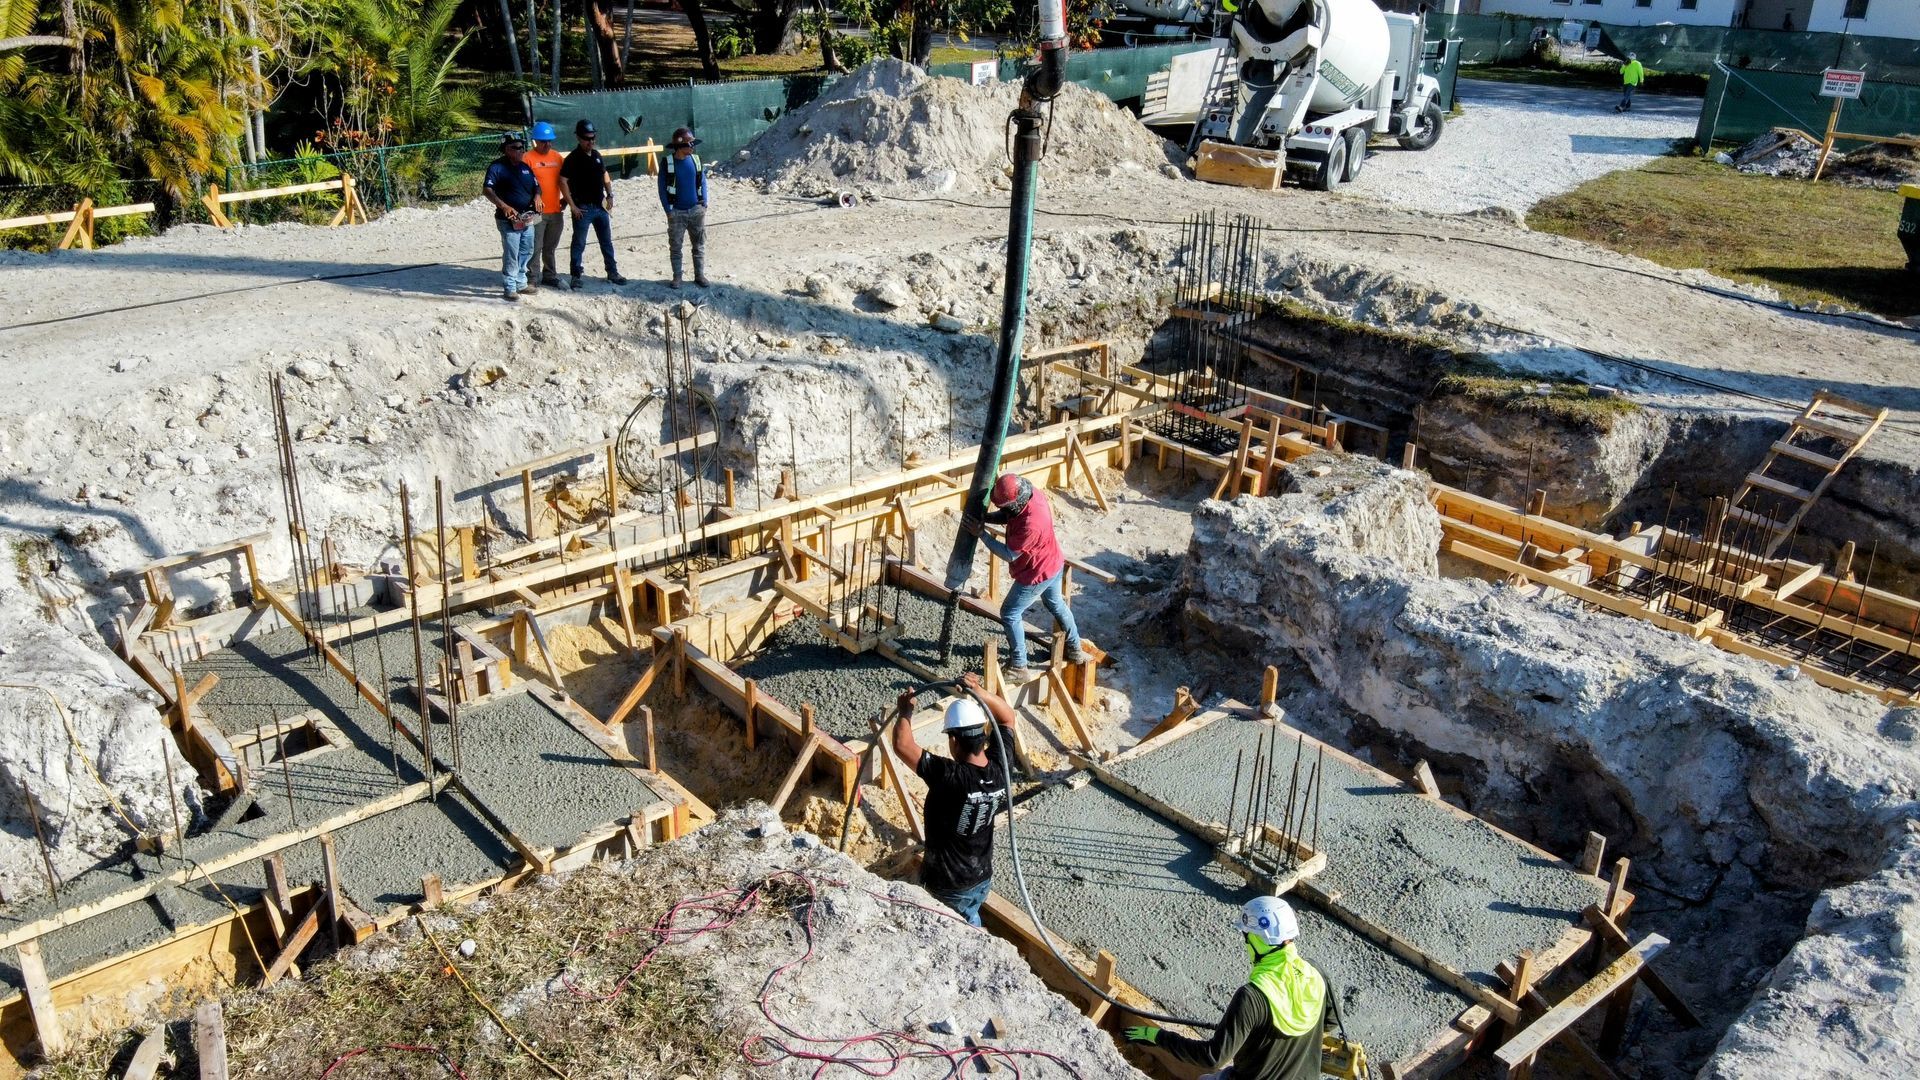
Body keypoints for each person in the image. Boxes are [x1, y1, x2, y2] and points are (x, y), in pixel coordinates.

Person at [1125, 896, 1330, 1080]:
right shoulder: (1315, 972)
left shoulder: (1252, 997)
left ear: (1260, 940)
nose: (1245, 943)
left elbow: (1212, 1057)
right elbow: (1328, 1023)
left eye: (1247, 936)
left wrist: (1158, 1037)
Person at [890, 672, 1016, 927]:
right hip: (981, 876)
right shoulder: (1000, 767)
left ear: (954, 740)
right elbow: (1007, 717)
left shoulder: (951, 777)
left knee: (959, 929)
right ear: (982, 736)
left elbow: (903, 745)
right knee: (971, 913)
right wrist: (978, 691)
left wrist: (904, 712)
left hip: (949, 885)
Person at [963, 474, 1085, 680]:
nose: (1004, 511)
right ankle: (1075, 649)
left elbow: (1009, 554)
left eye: (1005, 507)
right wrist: (989, 518)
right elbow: (1010, 514)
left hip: (1037, 571)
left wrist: (981, 533)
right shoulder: (1029, 494)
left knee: (1010, 612)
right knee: (1055, 603)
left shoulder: (1031, 524)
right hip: (1053, 560)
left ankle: (1019, 666)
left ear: (1014, 503)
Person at [560, 118, 627, 289]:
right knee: (579, 243)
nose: (591, 141)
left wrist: (610, 194)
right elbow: (562, 181)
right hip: (582, 208)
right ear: (579, 138)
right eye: (587, 138)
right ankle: (575, 275)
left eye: (593, 138)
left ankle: (612, 272)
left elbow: (605, 174)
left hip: (600, 205)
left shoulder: (597, 156)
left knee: (606, 241)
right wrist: (572, 205)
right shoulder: (572, 159)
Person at [482, 134, 540, 302]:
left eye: (522, 147)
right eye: (516, 147)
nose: (521, 150)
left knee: (527, 249)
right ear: (506, 149)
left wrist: (538, 197)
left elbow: (537, 186)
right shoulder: (496, 167)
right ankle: (510, 286)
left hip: (528, 217)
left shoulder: (525, 167)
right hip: (508, 219)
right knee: (511, 253)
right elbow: (487, 190)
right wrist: (504, 206)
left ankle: (521, 282)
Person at [659, 126, 710, 288]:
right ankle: (677, 277)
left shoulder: (696, 160)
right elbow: (661, 188)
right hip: (677, 212)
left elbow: (702, 181)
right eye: (689, 144)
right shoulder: (667, 163)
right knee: (676, 247)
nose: (692, 147)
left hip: (696, 210)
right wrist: (668, 210)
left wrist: (705, 203)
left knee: (699, 245)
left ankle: (699, 275)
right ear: (679, 147)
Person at [525, 121, 568, 289]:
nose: (547, 144)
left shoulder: (557, 157)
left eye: (549, 141)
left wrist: (565, 199)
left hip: (556, 210)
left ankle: (550, 274)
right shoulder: (527, 159)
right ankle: (532, 277)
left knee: (550, 246)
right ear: (536, 141)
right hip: (536, 212)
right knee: (535, 246)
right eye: (543, 141)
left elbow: (565, 180)